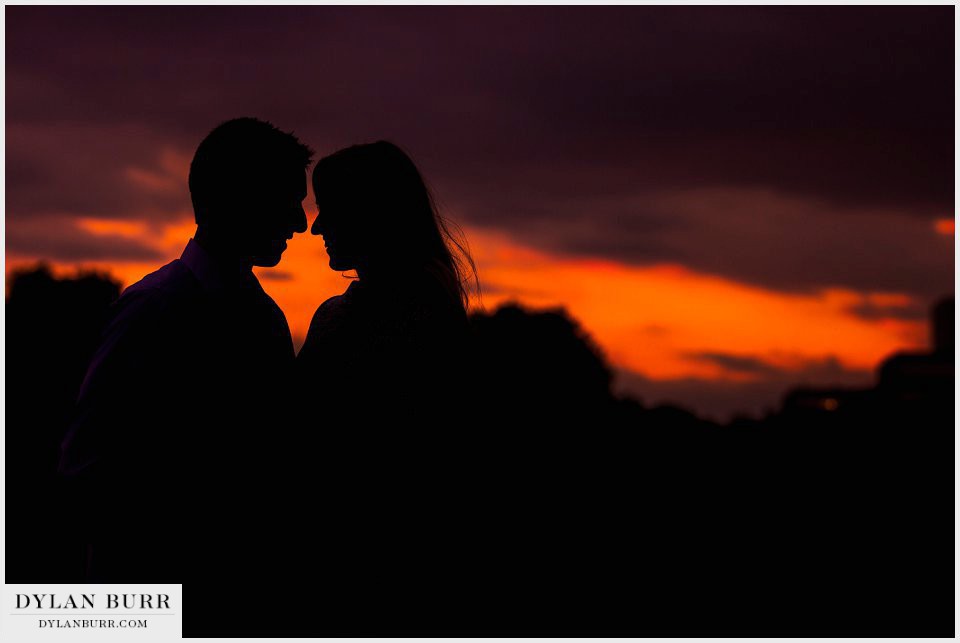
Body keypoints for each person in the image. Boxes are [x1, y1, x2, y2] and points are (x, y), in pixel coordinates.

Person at [59, 117, 313, 582]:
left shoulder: (266, 319)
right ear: (239, 198)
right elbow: (87, 468)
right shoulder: (152, 310)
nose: (300, 222)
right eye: (287, 200)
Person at [296, 141, 485, 630]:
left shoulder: (356, 322)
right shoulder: (432, 310)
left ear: (370, 214)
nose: (316, 227)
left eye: (329, 210)